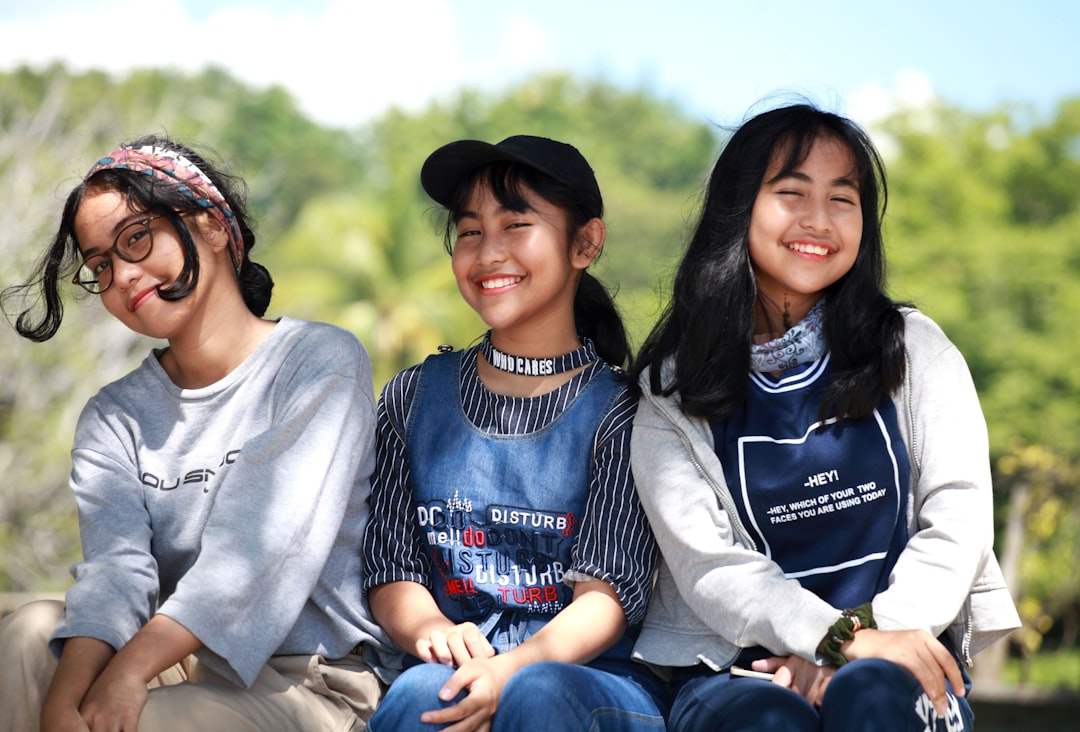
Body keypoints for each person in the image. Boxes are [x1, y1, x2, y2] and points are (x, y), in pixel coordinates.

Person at [628, 104, 1021, 731]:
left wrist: (862, 644)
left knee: (872, 698)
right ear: (739, 207)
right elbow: (711, 566)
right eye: (790, 193)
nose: (818, 220)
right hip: (740, 677)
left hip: (900, 659)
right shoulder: (670, 392)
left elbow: (958, 516)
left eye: (843, 199)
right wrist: (830, 637)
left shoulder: (916, 351)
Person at [0, 135, 394, 731]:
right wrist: (60, 705)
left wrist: (128, 674)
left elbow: (258, 551)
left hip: (312, 683)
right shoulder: (114, 416)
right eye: (101, 265)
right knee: (29, 632)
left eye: (136, 239)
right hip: (181, 666)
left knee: (157, 722)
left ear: (211, 226)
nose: (122, 275)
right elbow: (116, 575)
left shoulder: (319, 362)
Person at [361, 135, 668, 731]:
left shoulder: (625, 411)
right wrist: (434, 633)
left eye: (516, 225)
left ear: (586, 243)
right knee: (420, 695)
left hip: (592, 678)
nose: (488, 253)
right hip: (454, 658)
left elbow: (607, 596)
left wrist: (512, 669)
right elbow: (391, 567)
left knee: (537, 694)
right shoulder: (412, 396)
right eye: (470, 231)